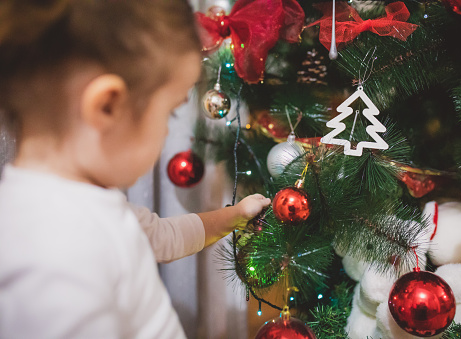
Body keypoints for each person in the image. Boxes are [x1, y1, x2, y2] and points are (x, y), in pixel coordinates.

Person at [0, 1, 271, 338]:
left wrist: (235, 215)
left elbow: (162, 236)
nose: (166, 133)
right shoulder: (57, 254)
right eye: (169, 114)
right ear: (107, 107)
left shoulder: (80, 203)